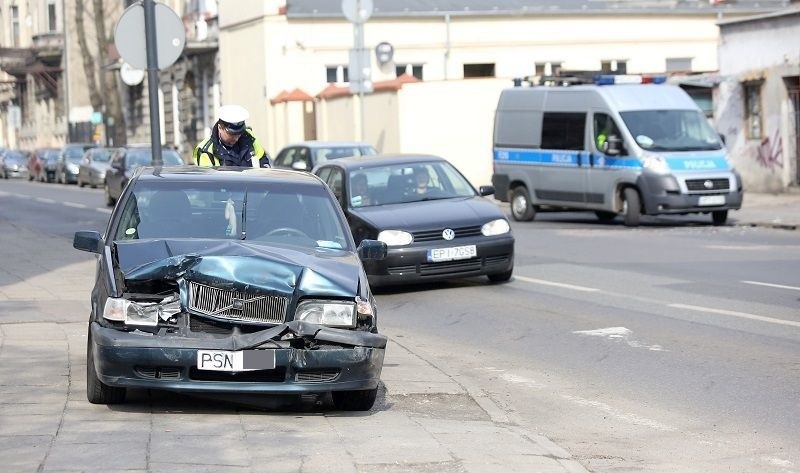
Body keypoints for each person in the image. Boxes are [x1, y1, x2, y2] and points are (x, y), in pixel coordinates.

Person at [193, 104, 271, 168]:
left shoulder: (249, 137)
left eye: (239, 133)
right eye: (232, 134)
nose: (236, 138)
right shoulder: (206, 151)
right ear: (220, 128)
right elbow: (209, 183)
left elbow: (264, 163)